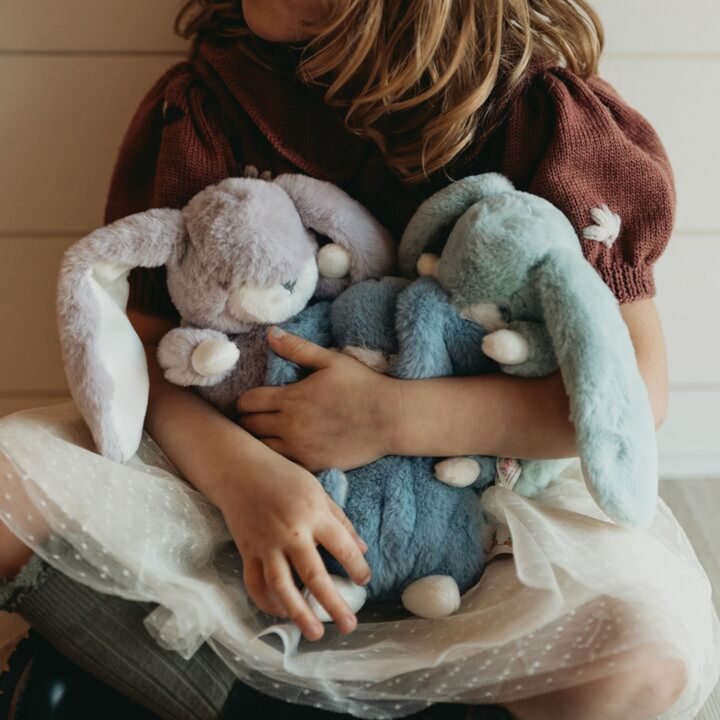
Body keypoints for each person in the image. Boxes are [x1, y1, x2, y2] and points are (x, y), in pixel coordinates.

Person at [1, 1, 718, 718]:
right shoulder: (212, 101)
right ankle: (213, 691)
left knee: (639, 663)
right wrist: (245, 481)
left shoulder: (547, 118)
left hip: (484, 500)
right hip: (240, 469)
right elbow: (142, 356)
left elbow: (632, 393)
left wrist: (387, 417)